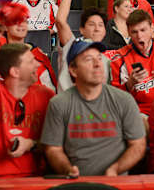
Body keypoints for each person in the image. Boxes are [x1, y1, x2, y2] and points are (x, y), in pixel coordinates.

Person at [41, 39, 146, 176]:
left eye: (99, 58)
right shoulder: (59, 104)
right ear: (73, 70)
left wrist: (115, 169)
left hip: (116, 183)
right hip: (76, 185)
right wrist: (68, 169)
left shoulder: (123, 100)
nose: (97, 64)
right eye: (89, 59)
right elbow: (53, 149)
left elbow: (138, 145)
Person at [0, 23, 54, 178]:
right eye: (31, 61)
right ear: (15, 71)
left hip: (34, 180)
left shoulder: (46, 95)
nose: (38, 64)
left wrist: (31, 144)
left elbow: (56, 142)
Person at [55, 0, 109, 92]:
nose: (97, 29)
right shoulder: (72, 46)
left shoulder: (106, 58)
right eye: (91, 24)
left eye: (100, 25)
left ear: (104, 31)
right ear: (81, 29)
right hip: (68, 106)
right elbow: (60, 21)